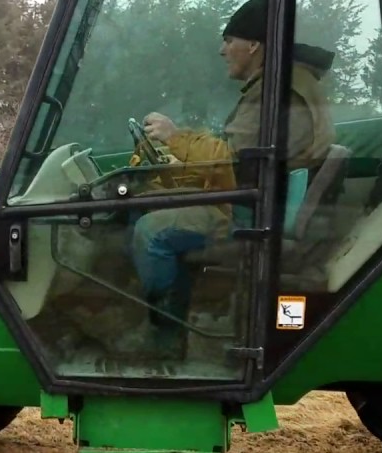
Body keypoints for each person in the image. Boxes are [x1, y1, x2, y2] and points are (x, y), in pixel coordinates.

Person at [126, 0, 337, 350]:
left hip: (251, 215)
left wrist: (175, 137)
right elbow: (240, 156)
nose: (223, 50)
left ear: (253, 45)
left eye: (229, 40)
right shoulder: (284, 83)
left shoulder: (277, 92)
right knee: (147, 203)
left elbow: (228, 158)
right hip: (254, 200)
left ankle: (165, 335)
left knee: (150, 232)